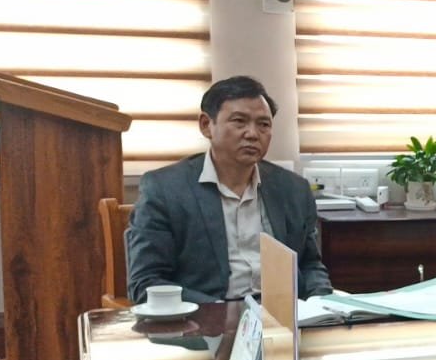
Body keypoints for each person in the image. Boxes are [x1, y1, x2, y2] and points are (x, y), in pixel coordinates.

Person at [126, 75, 332, 304]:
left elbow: (310, 265)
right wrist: (221, 313)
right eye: (239, 121)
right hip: (206, 316)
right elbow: (147, 283)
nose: (252, 134)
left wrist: (320, 304)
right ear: (206, 125)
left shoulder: (293, 189)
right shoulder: (165, 189)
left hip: (282, 315)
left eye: (263, 124)